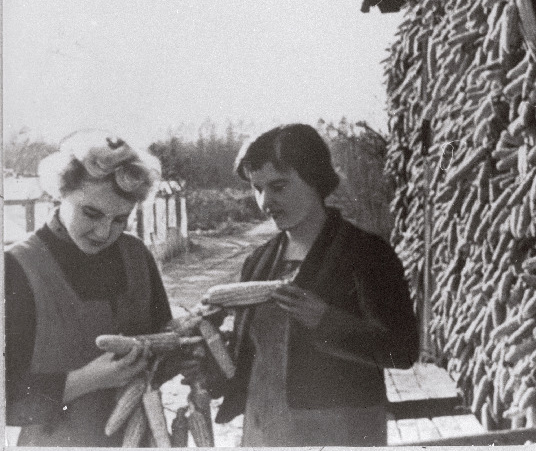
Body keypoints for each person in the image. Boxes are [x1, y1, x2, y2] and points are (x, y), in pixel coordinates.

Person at [211, 123, 419, 446]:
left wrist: (325, 319)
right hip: (264, 430)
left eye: (279, 187)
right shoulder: (258, 262)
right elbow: (250, 358)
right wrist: (209, 357)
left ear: (315, 180)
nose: (266, 202)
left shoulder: (366, 253)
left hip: (341, 430)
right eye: (257, 188)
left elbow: (402, 352)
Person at [5, 130, 172, 447]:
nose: (104, 232)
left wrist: (181, 356)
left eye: (121, 219)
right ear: (60, 193)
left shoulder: (137, 255)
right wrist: (86, 381)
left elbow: (160, 348)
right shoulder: (15, 268)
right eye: (91, 213)